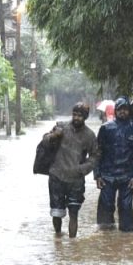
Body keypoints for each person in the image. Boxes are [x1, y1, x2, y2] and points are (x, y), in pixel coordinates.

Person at [41, 102, 98, 237]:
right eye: (75, 114)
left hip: (76, 179)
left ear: (85, 117)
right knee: (56, 213)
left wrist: (82, 169)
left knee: (74, 214)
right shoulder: (61, 127)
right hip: (57, 176)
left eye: (80, 115)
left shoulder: (89, 135)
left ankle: (72, 246)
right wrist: (54, 136)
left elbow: (95, 156)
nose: (76, 118)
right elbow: (44, 142)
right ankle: (58, 239)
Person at [94, 96, 133, 232]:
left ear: (129, 111)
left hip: (127, 176)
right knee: (106, 205)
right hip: (107, 175)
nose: (123, 112)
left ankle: (127, 236)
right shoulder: (106, 128)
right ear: (115, 111)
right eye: (120, 109)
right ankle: (105, 234)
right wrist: (97, 175)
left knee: (126, 206)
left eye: (125, 109)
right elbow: (98, 153)